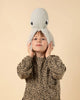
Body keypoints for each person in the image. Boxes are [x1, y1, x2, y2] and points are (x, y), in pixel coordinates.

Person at [17, 8, 66, 100]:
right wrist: (30, 55)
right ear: (30, 43)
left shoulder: (54, 60)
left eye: (43, 39)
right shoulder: (29, 61)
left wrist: (48, 56)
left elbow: (59, 73)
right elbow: (21, 73)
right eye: (35, 38)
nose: (39, 40)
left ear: (50, 43)